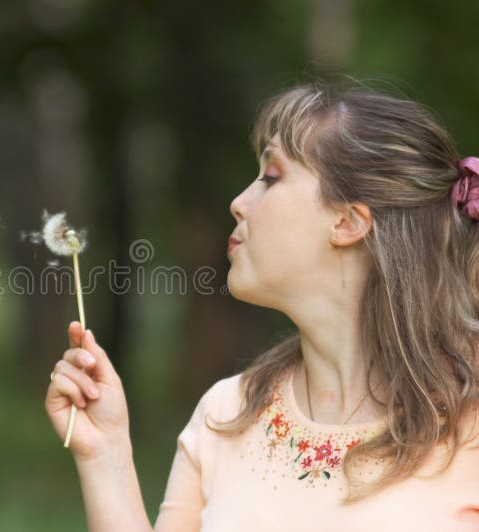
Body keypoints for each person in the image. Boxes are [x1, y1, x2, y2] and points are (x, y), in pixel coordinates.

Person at [44, 80, 479, 531]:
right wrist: (107, 455)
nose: (238, 203)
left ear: (348, 221)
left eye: (271, 178)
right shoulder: (225, 415)